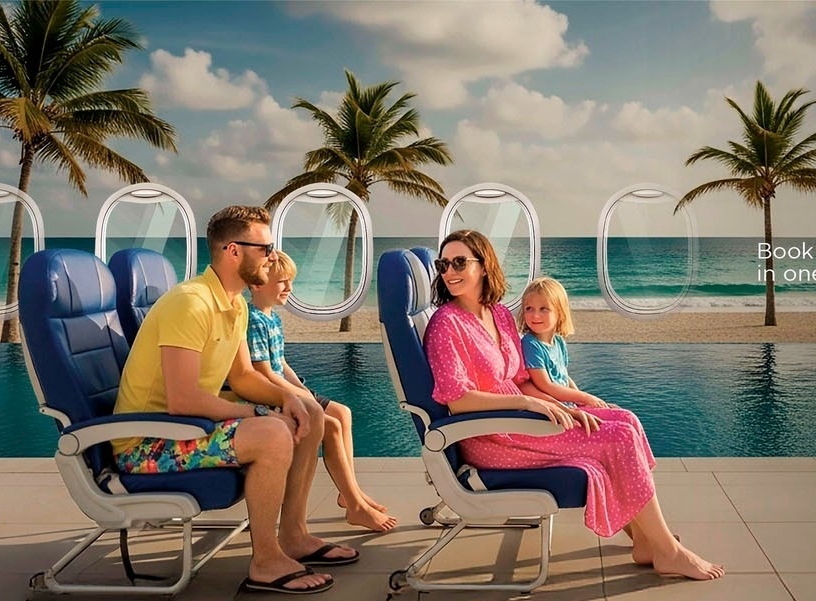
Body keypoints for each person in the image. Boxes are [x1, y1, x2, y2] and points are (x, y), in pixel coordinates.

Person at [422, 230, 723, 580]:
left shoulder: (499, 314)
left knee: (625, 420)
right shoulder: (446, 324)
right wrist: (527, 404)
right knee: (618, 440)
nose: (449, 271)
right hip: (493, 435)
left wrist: (562, 406)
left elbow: (521, 378)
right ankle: (668, 552)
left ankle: (642, 536)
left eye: (460, 262)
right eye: (443, 264)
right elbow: (457, 400)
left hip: (520, 418)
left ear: (485, 266)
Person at [112, 205, 359, 595]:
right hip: (147, 443)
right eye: (265, 249)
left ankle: (294, 535)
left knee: (308, 412)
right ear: (233, 251)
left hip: (185, 431)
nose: (272, 257)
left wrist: (287, 399)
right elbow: (182, 399)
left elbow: (243, 375)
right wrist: (262, 413)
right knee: (273, 434)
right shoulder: (190, 303)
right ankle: (265, 561)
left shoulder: (235, 302)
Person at [246, 251, 398, 532]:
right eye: (282, 282)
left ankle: (348, 489)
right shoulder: (253, 320)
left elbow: (281, 364)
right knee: (332, 427)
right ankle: (355, 505)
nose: (289, 289)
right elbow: (264, 373)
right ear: (257, 284)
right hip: (271, 393)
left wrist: (304, 390)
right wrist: (298, 396)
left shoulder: (272, 318)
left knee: (343, 411)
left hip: (288, 388)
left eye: (290, 281)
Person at [518, 277, 611, 409]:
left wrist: (582, 400)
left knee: (625, 415)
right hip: (553, 411)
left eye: (543, 309)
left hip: (569, 405)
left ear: (560, 312)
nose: (535, 315)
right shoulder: (530, 344)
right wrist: (585, 397)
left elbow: (564, 377)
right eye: (529, 309)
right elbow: (545, 385)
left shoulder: (559, 342)